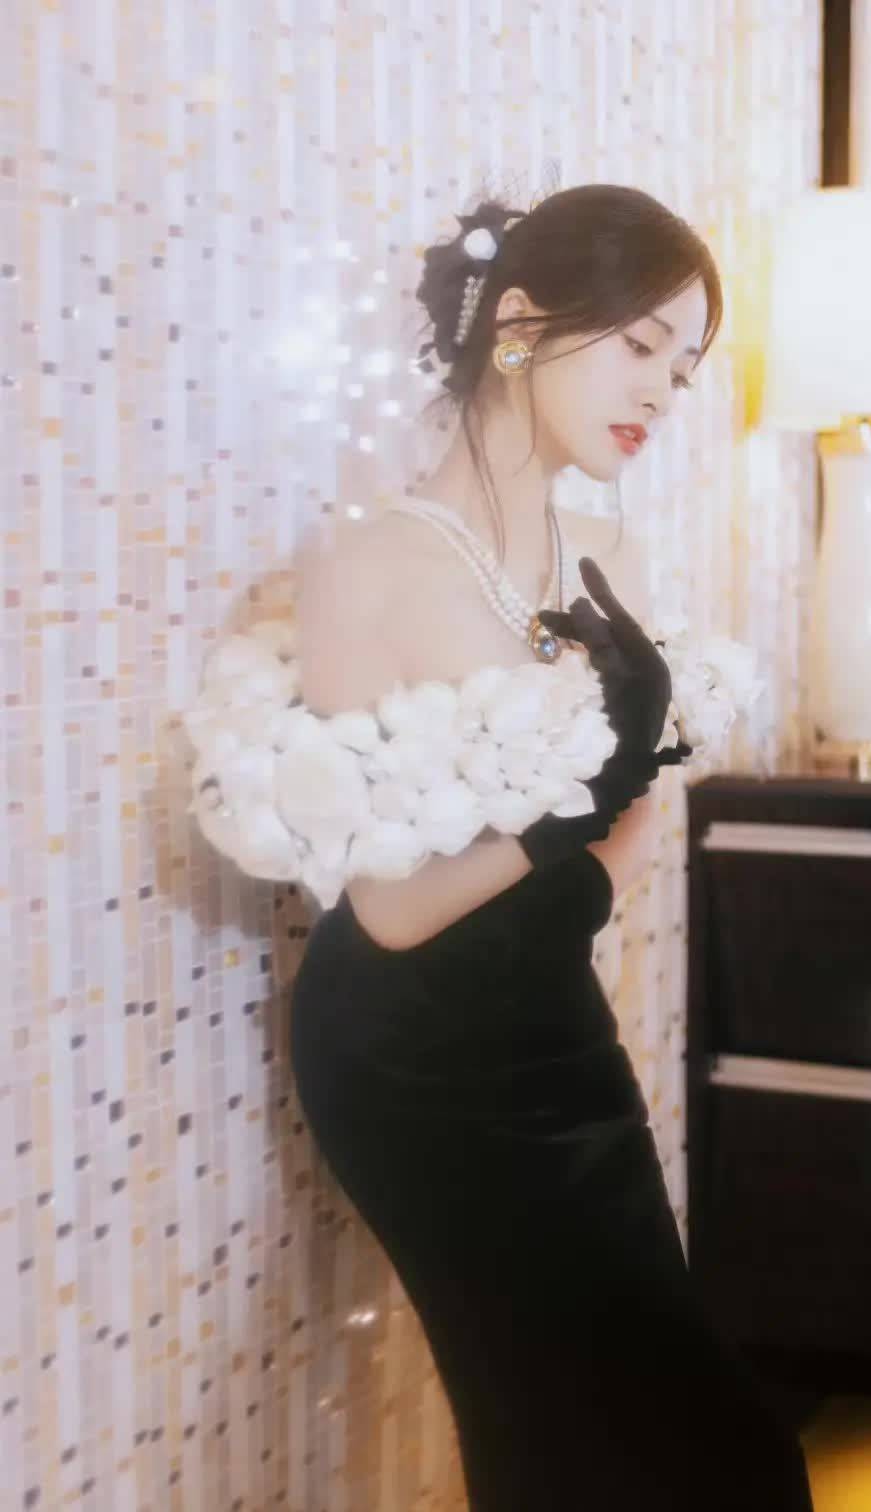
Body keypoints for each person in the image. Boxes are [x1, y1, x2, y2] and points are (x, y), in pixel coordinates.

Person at [184, 183, 813, 1509]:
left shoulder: (603, 549)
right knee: (585, 1436)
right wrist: (588, 811)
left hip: (546, 1018)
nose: (664, 390)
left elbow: (618, 830)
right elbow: (394, 908)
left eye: (683, 367)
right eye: (641, 344)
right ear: (521, 326)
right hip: (412, 1049)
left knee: (673, 1441)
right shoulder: (369, 560)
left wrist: (612, 802)